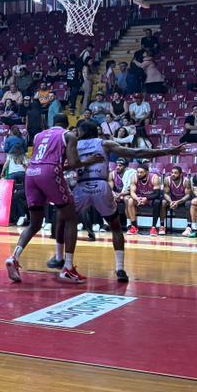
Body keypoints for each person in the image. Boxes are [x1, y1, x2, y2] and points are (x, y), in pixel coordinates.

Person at [73, 120, 176, 282]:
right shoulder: (104, 143)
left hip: (81, 186)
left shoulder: (73, 144)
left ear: (83, 131)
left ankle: (65, 263)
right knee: (115, 227)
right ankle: (120, 268)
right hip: (100, 185)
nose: (77, 132)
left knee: (65, 222)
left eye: (78, 130)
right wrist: (168, 150)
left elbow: (63, 163)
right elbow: (137, 153)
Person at [6, 119, 83, 284]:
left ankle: (14, 257)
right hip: (49, 171)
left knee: (34, 224)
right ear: (65, 124)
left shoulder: (38, 136)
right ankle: (68, 268)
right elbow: (74, 162)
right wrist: (90, 161)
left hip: (31, 172)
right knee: (71, 217)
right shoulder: (68, 135)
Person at [124, 162, 163, 235]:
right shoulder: (134, 177)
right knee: (130, 201)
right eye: (138, 172)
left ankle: (153, 228)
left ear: (147, 172)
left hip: (151, 198)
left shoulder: (154, 178)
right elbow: (132, 192)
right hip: (139, 198)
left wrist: (146, 198)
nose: (139, 174)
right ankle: (134, 226)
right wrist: (137, 198)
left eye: (141, 172)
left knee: (157, 202)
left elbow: (157, 194)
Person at [161, 164, 191, 235]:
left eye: (175, 173)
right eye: (172, 173)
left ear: (181, 174)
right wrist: (171, 201)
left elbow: (188, 195)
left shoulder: (186, 181)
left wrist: (178, 202)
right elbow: (166, 194)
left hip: (183, 201)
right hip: (172, 200)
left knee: (189, 203)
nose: (173, 174)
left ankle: (189, 227)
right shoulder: (167, 180)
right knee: (163, 202)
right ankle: (162, 226)